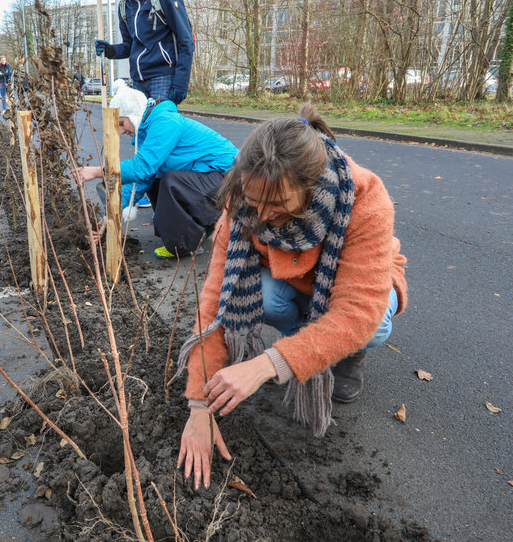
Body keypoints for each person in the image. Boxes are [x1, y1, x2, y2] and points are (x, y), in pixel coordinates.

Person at [175, 104, 408, 489]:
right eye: (254, 202)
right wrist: (199, 404)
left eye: (278, 206)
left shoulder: (365, 198)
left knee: (373, 324)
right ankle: (311, 343)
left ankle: (341, 352)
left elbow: (356, 311)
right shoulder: (244, 198)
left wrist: (267, 363)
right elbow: (217, 300)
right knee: (259, 294)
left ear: (311, 189)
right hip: (292, 285)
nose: (261, 216)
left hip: (355, 287)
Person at [72, 84, 238, 258]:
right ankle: (192, 232)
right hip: (213, 179)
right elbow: (142, 178)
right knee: (156, 180)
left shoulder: (165, 121)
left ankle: (184, 244)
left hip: (231, 178)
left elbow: (141, 168)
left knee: (171, 181)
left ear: (133, 114)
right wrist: (110, 216)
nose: (121, 131)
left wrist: (99, 172)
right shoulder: (149, 129)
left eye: (121, 122)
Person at [94, 0, 195, 104]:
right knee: (138, 130)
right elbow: (130, 46)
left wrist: (181, 83)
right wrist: (111, 50)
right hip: (137, 83)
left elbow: (187, 41)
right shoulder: (124, 6)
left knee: (159, 129)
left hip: (163, 79)